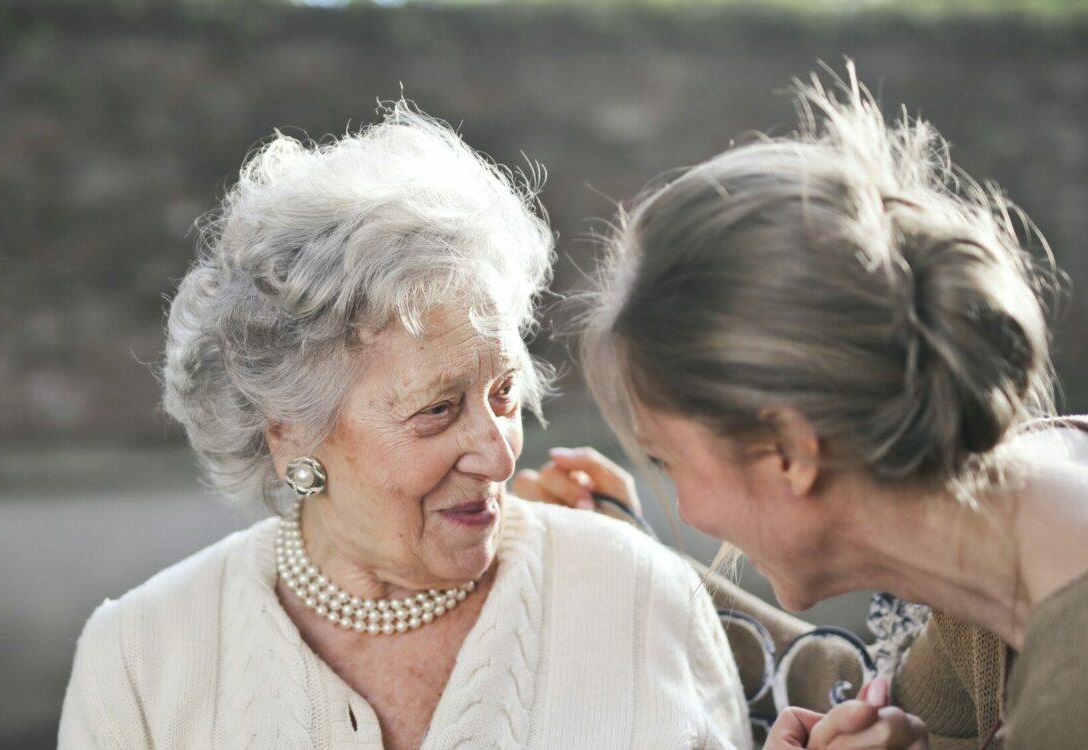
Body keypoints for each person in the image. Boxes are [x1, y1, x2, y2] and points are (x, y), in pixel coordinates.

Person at [57, 104, 755, 749]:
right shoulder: (139, 655)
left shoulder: (634, 593)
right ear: (289, 431)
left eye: (504, 393)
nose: (497, 452)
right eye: (437, 410)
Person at [515, 67, 1087, 750]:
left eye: (667, 459)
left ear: (788, 451)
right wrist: (640, 569)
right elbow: (875, 694)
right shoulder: (1009, 548)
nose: (687, 509)